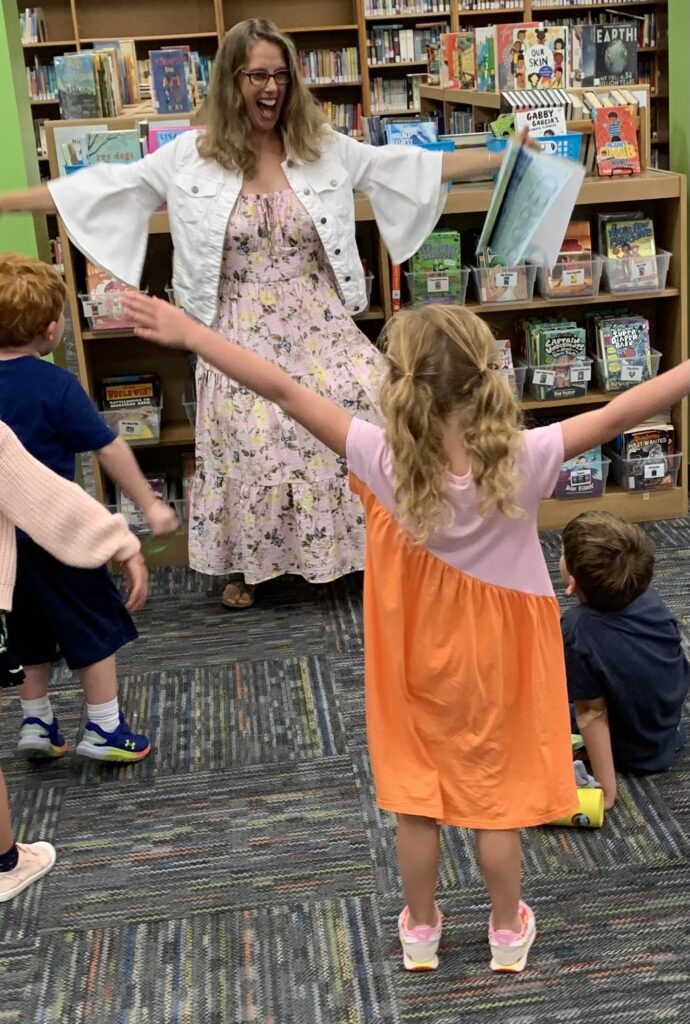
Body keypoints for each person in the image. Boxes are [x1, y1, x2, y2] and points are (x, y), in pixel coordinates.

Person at [122, 290, 690, 974]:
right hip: (503, 658)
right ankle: (506, 932)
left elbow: (281, 388)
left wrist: (189, 331)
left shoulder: (379, 456)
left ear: (401, 387)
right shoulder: (527, 454)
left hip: (417, 656)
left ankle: (420, 930)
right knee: (494, 803)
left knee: (416, 803)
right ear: (489, 379)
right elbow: (623, 410)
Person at [0, 18, 509, 610]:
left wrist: (498, 158)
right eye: (257, 75)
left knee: (369, 400)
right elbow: (101, 186)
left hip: (319, 321)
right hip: (235, 323)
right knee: (254, 425)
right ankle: (255, 563)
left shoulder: (321, 146)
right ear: (231, 81)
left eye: (280, 75)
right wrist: (8, 200)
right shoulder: (189, 157)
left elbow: (405, 167)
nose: (271, 88)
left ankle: (363, 548)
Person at [0, 253, 178, 763]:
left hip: (3, 548)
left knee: (27, 632)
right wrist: (148, 503)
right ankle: (103, 727)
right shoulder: (55, 385)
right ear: (51, 329)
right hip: (57, 535)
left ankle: (36, 722)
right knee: (93, 627)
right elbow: (109, 445)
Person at [0, 419, 147, 901]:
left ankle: (40, 722)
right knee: (92, 629)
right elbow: (48, 500)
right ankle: (5, 863)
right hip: (55, 557)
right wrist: (123, 544)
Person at [560, 510, 689, 810]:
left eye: (562, 552)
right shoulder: (645, 595)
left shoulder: (577, 627)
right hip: (666, 731)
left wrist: (606, 791)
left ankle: (588, 757)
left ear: (573, 583)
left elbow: (592, 713)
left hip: (633, 748)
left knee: (531, 701)